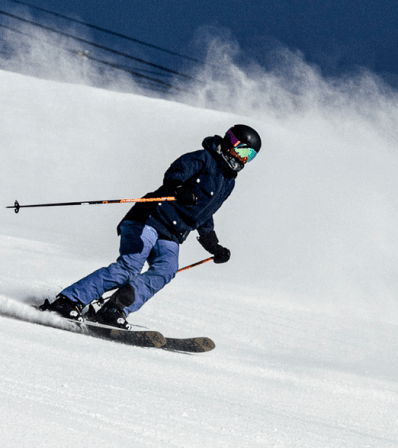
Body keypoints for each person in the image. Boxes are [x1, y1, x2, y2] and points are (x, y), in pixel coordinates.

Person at [39, 124, 261, 328]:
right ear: (231, 143)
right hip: (149, 218)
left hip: (173, 233)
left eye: (250, 157)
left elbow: (205, 214)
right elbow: (175, 172)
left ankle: (114, 308)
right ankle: (68, 301)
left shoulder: (228, 183)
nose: (244, 160)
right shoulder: (203, 158)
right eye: (244, 152)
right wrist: (178, 188)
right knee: (129, 268)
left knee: (166, 270)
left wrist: (214, 246)